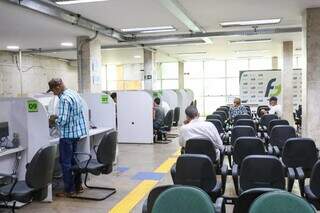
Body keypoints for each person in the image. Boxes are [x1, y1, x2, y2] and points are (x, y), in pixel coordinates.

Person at [47, 78, 88, 197]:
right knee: (73, 160)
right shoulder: (74, 93)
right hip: (76, 133)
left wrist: (53, 120)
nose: (53, 93)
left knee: (65, 163)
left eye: (53, 90)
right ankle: (78, 185)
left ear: (58, 87)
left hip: (67, 136)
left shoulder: (64, 99)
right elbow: (77, 113)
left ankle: (68, 190)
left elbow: (63, 121)